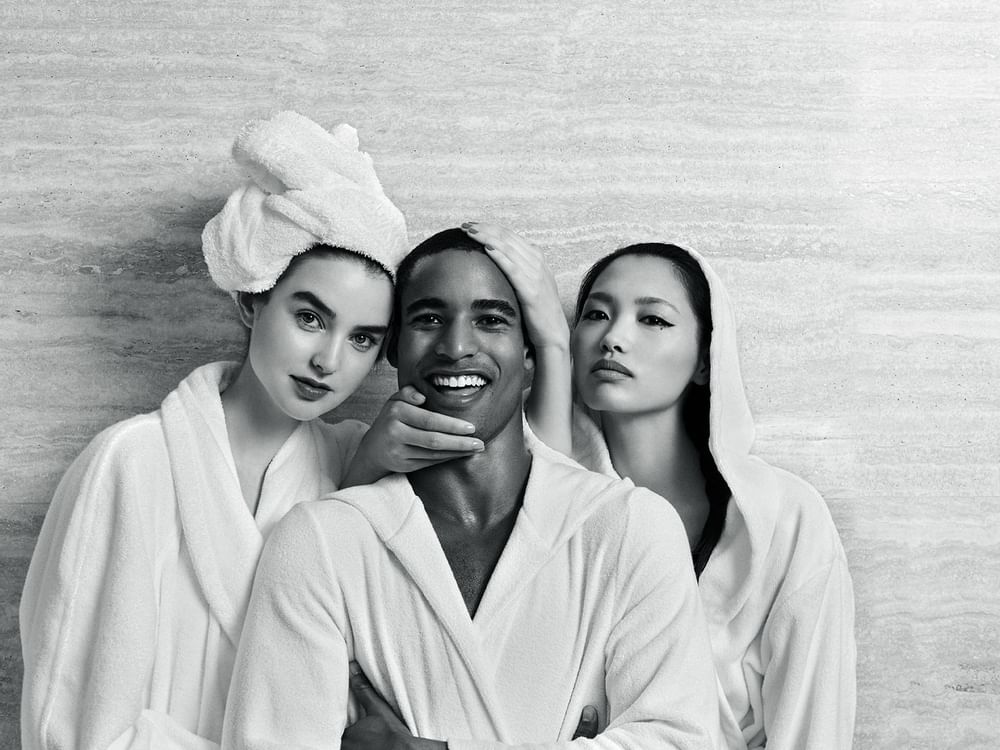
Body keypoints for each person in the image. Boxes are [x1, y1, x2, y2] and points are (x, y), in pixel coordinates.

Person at [19, 113, 482, 750]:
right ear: (250, 299)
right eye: (311, 317)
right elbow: (68, 723)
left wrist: (360, 479)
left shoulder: (357, 460)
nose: (329, 361)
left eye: (364, 338)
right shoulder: (134, 462)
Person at [222, 229, 723, 750]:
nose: (457, 347)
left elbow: (681, 740)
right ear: (393, 347)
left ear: (530, 354)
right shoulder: (319, 543)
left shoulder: (630, 529)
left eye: (490, 320)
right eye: (429, 319)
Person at [463, 224, 857, 749]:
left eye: (652, 319)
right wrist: (551, 342)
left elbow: (815, 725)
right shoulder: (544, 499)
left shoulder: (784, 516)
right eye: (595, 315)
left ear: (703, 359)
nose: (613, 337)